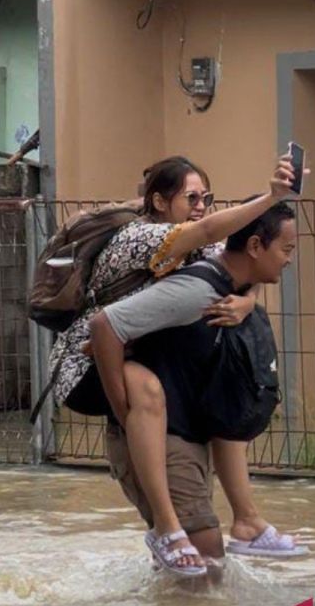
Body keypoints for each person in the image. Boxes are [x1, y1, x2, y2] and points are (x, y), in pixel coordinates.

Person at [47, 153, 296, 574]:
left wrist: (246, 302)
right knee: (146, 394)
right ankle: (167, 527)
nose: (201, 206)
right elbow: (107, 326)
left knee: (221, 391)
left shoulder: (198, 251)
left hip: (133, 350)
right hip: (88, 359)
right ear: (160, 202)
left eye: (207, 197)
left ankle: (245, 522)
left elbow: (241, 263)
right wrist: (123, 410)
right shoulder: (140, 237)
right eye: (191, 197)